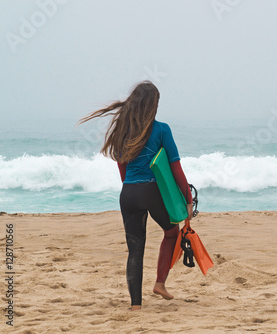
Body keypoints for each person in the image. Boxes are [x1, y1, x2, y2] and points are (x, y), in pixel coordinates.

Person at [79, 81, 193, 311]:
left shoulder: (123, 130)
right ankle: (160, 283)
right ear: (153, 105)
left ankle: (135, 306)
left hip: (128, 193)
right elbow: (175, 168)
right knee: (171, 233)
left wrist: (132, 191)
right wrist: (188, 200)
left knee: (135, 249)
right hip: (152, 191)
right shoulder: (162, 129)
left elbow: (122, 169)